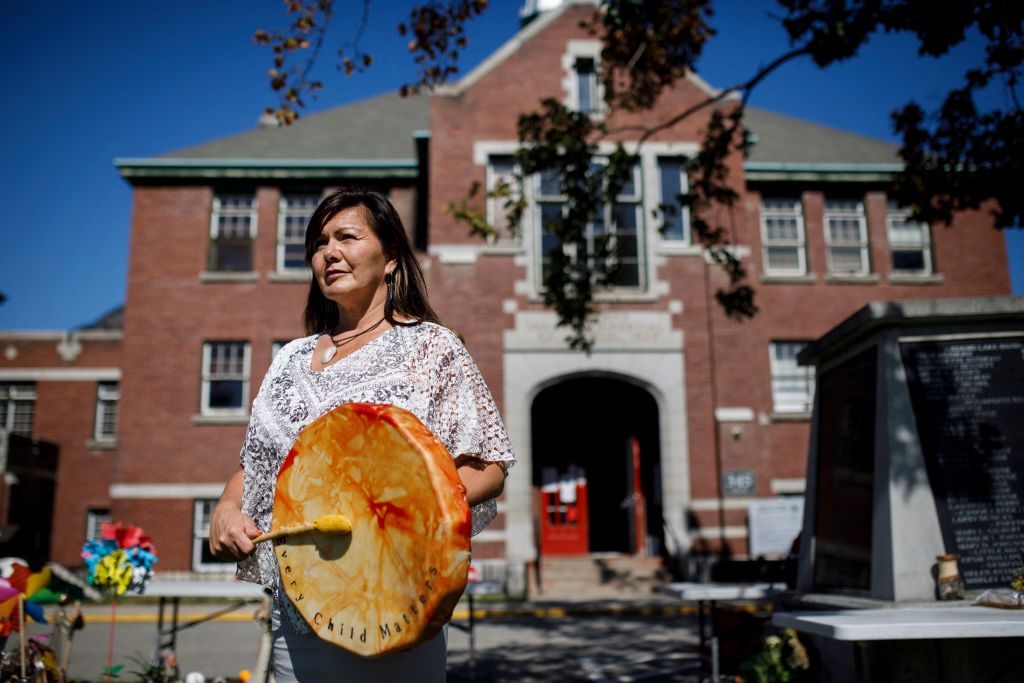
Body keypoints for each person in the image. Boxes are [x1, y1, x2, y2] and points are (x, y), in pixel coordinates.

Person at [209, 189, 515, 681]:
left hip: (394, 609)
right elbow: (255, 465)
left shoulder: (430, 348)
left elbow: (488, 465)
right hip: (300, 617)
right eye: (319, 242)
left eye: (347, 237)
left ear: (390, 256)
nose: (329, 252)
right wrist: (225, 511)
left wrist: (399, 509)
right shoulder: (288, 359)